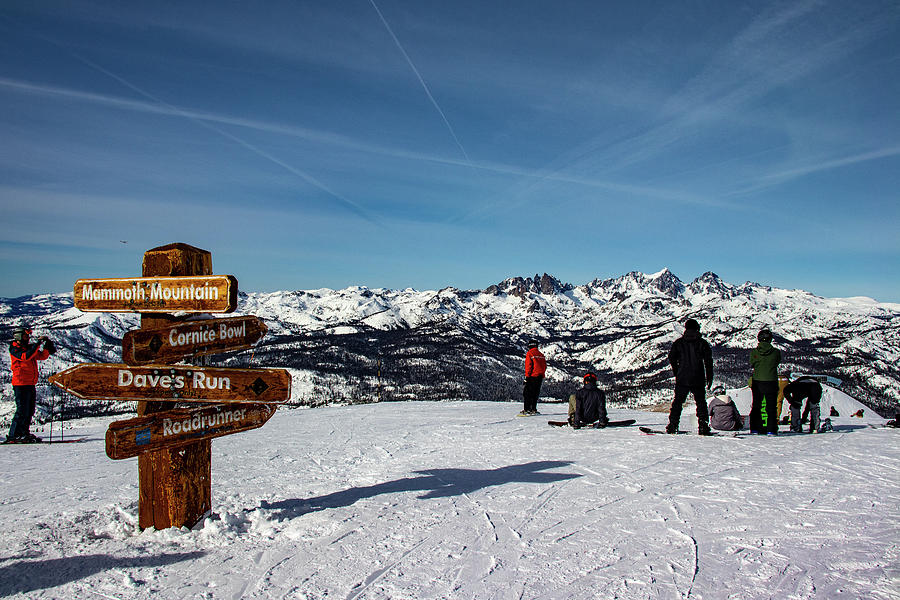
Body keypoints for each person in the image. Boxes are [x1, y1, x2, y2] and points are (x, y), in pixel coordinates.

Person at [6, 327, 55, 443]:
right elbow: (25, 356)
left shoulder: (27, 348)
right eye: (25, 336)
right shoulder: (15, 349)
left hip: (29, 383)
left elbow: (41, 356)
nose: (27, 338)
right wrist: (38, 343)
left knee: (29, 410)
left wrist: (47, 347)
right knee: (21, 410)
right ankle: (14, 435)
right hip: (20, 383)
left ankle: (23, 433)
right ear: (18, 337)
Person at [666, 319, 713, 435]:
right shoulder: (702, 343)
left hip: (682, 378)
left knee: (677, 402)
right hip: (698, 377)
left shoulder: (679, 343)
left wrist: (677, 371)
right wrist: (709, 377)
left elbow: (671, 357)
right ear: (697, 328)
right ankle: (703, 427)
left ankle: (673, 425)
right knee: (701, 403)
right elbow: (708, 361)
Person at [749, 328, 781, 435]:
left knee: (756, 405)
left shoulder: (754, 352)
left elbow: (752, 363)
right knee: (771, 406)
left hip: (757, 381)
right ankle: (771, 429)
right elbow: (777, 362)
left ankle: (755, 428)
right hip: (771, 381)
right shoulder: (776, 352)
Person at [520, 339, 546, 416]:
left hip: (532, 376)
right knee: (535, 393)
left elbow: (528, 366)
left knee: (527, 393)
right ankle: (533, 409)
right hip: (540, 377)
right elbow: (544, 366)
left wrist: (527, 377)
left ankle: (527, 409)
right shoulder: (541, 354)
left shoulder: (530, 353)